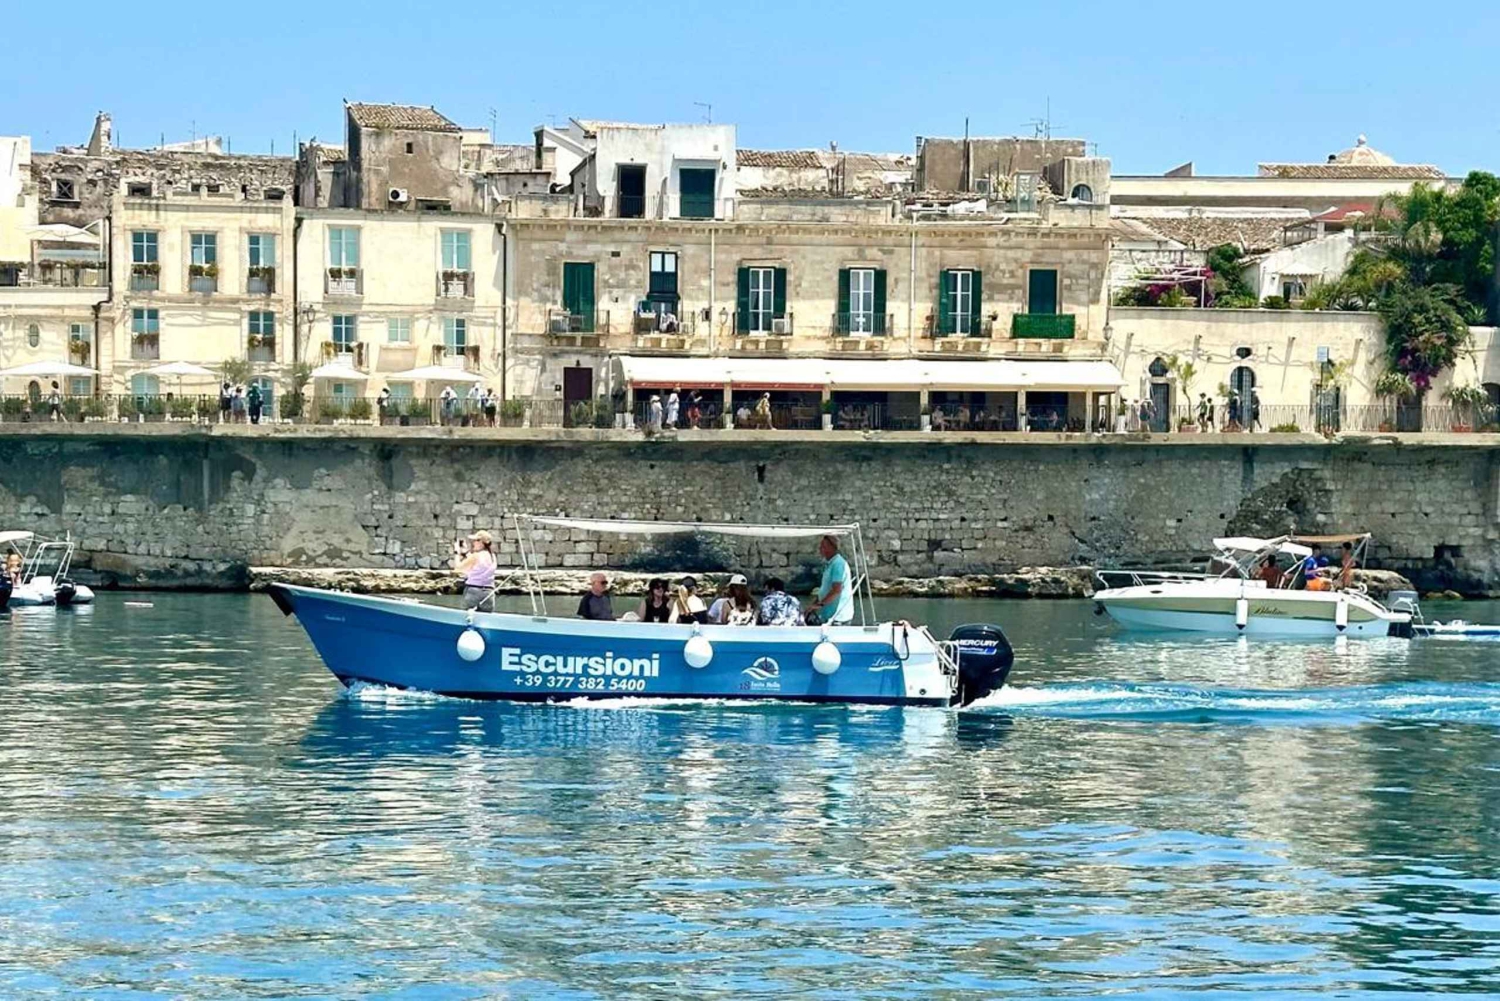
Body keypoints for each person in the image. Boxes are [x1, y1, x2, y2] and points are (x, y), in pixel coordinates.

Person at [806, 534, 854, 624]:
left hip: (838, 617)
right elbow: (825, 589)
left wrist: (820, 605)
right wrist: (814, 605)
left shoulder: (838, 564)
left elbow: (836, 590)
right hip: (828, 616)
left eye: (823, 546)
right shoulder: (829, 564)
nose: (820, 549)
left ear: (831, 547)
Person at [451, 530, 496, 611]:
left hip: (473, 592)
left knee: (467, 618)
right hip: (489, 593)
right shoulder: (492, 556)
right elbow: (477, 565)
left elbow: (458, 568)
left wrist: (457, 553)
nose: (473, 543)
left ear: (481, 542)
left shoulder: (476, 556)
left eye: (475, 540)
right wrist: (466, 552)